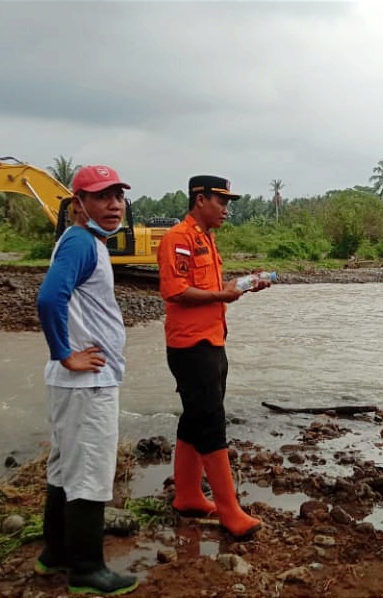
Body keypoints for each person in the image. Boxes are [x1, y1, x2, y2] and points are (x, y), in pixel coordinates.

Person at [34, 165, 139, 595]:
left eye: (118, 196)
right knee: (91, 474)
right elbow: (48, 297)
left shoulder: (85, 241)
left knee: (63, 469)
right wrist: (65, 353)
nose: (113, 205)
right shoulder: (81, 241)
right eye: (101, 197)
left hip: (74, 385)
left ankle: (55, 553)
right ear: (79, 204)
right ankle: (87, 571)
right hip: (86, 384)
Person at [157, 175, 268, 539]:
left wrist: (239, 286)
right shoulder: (179, 238)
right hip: (191, 346)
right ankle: (229, 511)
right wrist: (222, 297)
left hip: (212, 340)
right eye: (220, 201)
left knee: (194, 418)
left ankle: (188, 495)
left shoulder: (207, 239)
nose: (225, 209)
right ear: (200, 199)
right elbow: (176, 291)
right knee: (211, 423)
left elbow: (208, 289)